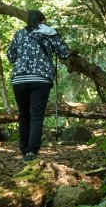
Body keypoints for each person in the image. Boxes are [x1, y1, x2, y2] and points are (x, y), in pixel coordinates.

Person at [7, 9, 70, 161]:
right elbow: (64, 53)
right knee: (36, 116)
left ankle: (23, 150)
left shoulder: (20, 34)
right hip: (40, 79)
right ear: (43, 21)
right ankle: (32, 152)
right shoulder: (50, 32)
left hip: (19, 79)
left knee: (23, 115)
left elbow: (10, 56)